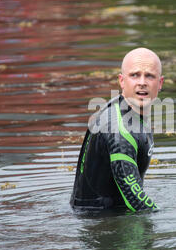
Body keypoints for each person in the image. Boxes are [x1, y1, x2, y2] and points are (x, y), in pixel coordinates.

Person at [70, 48, 164, 212]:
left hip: (109, 217)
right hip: (103, 225)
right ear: (122, 81)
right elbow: (134, 199)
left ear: (160, 83)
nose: (142, 82)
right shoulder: (120, 129)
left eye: (149, 76)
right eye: (135, 75)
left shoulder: (125, 109)